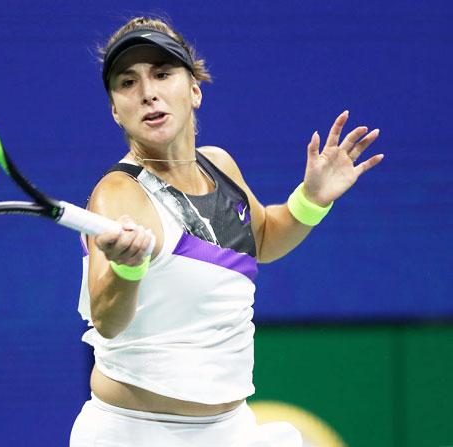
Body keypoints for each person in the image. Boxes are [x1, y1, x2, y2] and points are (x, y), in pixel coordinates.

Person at [70, 16, 382, 447]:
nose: (147, 93)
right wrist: (127, 269)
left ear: (194, 90)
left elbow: (265, 238)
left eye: (162, 74)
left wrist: (312, 199)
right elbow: (107, 321)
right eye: (128, 82)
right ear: (116, 110)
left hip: (230, 431)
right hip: (135, 432)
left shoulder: (219, 165)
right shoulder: (119, 194)